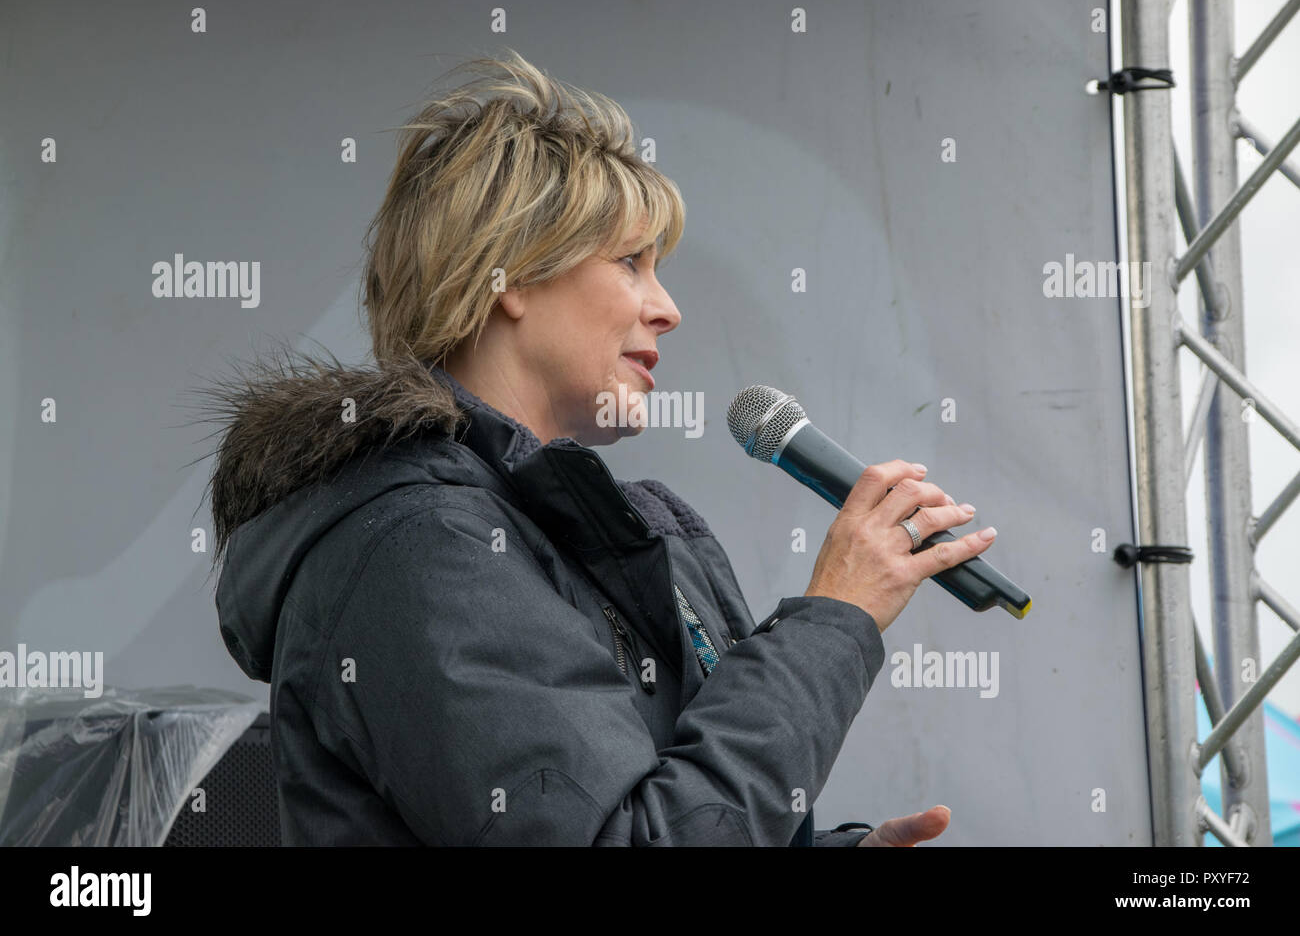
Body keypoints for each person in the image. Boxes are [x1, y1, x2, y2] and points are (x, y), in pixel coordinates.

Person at [199, 50, 994, 846]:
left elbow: (676, 809)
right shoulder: (419, 548)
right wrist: (835, 617)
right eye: (630, 262)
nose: (668, 309)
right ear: (506, 271)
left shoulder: (638, 530)